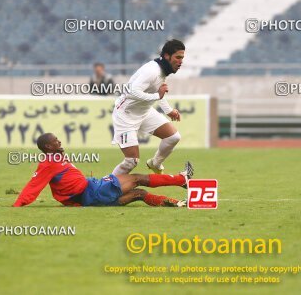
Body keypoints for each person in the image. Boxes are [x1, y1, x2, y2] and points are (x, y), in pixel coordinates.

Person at [12, 133, 193, 207]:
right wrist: (19, 203)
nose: (59, 142)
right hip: (92, 192)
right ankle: (181, 179)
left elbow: (66, 184)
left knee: (139, 193)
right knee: (137, 178)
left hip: (91, 193)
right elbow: (34, 185)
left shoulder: (56, 158)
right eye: (55, 141)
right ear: (47, 147)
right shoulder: (48, 163)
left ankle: (177, 203)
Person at [111, 39, 185, 175]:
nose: (181, 61)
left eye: (182, 58)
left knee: (173, 137)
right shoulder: (152, 71)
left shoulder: (163, 69)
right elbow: (131, 91)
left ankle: (155, 163)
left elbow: (160, 91)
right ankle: (103, 187)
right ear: (167, 56)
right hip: (126, 114)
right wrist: (157, 96)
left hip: (144, 112)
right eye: (178, 57)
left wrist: (168, 110)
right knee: (131, 161)